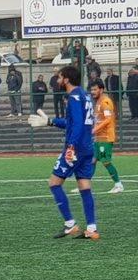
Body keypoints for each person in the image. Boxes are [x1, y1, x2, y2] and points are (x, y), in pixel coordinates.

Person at [27, 65, 99, 240]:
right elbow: (73, 122)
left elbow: (77, 124)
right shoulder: (85, 95)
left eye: (59, 77)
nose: (57, 80)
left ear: (66, 79)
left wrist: (71, 147)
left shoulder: (74, 97)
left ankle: (70, 224)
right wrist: (50, 121)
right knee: (84, 186)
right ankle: (91, 229)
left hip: (76, 148)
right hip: (87, 147)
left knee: (54, 183)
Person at [90, 79, 124, 194]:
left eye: (95, 89)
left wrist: (95, 129)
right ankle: (85, 185)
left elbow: (108, 119)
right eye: (91, 90)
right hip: (99, 138)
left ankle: (118, 185)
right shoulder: (98, 102)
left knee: (106, 161)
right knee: (92, 160)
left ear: (101, 89)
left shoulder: (105, 102)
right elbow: (99, 120)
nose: (92, 92)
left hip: (106, 137)